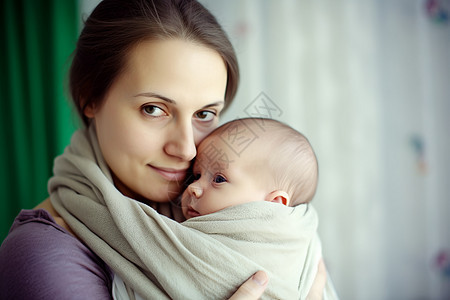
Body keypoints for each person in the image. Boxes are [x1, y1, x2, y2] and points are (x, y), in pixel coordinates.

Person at [0, 0, 328, 299]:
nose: (186, 149)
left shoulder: (243, 216)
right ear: (90, 98)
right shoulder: (43, 256)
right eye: (153, 109)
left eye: (204, 114)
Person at [111, 117, 336, 299]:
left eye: (218, 179)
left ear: (273, 206)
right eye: (197, 175)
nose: (193, 188)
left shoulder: (291, 244)